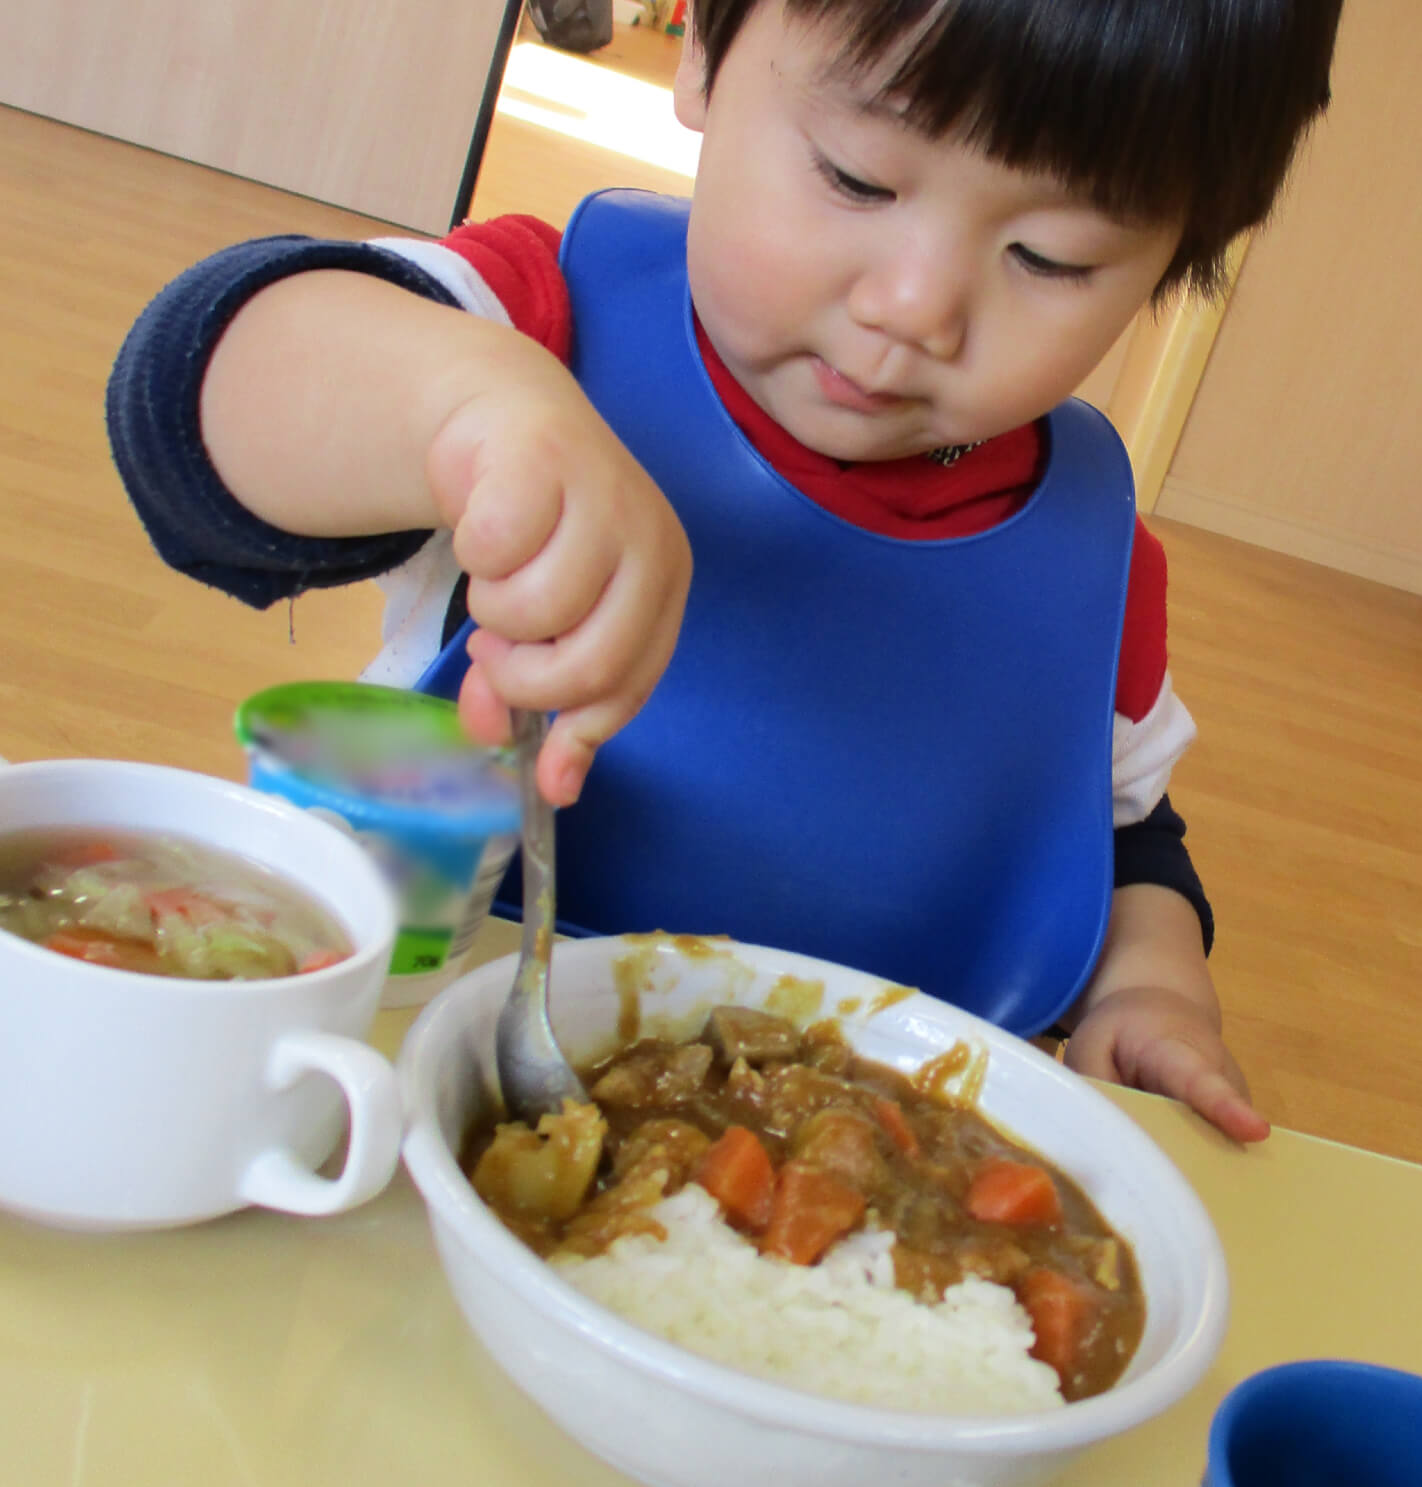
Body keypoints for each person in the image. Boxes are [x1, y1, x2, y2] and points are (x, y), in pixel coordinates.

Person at [106, 0, 1342, 1143]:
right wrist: (465, 412)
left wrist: (1151, 982)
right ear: (700, 53)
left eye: (1051, 256)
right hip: (397, 1099)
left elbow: (1115, 833)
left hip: (859, 1202)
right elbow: (192, 402)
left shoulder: (1091, 560)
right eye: (857, 177)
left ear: (1182, 255)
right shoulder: (543, 325)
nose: (915, 304)